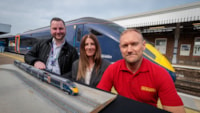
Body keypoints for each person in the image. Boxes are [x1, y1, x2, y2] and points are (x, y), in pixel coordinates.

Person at [97, 29, 185, 113]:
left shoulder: (160, 74)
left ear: (143, 46)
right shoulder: (112, 69)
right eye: (125, 46)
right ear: (120, 48)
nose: (129, 50)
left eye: (134, 44)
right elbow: (98, 98)